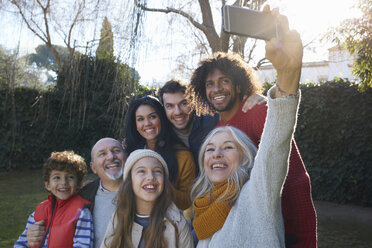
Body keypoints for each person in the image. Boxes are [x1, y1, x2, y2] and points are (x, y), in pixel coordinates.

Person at [188, 7, 317, 248]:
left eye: (224, 81)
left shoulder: (257, 111)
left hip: (272, 226)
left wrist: (305, 241)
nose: (216, 88)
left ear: (238, 86)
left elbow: (295, 179)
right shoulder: (218, 127)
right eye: (210, 84)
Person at [26, 138, 127, 248]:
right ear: (93, 168)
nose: (111, 156)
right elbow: (23, 242)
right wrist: (29, 237)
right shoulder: (86, 194)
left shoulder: (143, 191)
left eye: (116, 150)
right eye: (102, 154)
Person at [158, 79, 266, 173]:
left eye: (184, 103)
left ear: (193, 102)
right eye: (170, 106)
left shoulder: (212, 118)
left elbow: (234, 107)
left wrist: (259, 97)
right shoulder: (161, 133)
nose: (177, 112)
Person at [101, 149, 194, 248]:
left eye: (157, 171)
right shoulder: (119, 217)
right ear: (130, 180)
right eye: (141, 171)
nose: (150, 177)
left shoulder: (178, 223)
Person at [123, 95, 196, 211]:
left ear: (162, 118)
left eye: (152, 117)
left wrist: (161, 187)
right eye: (140, 119)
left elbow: (188, 200)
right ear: (135, 125)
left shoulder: (182, 156)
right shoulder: (129, 154)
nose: (147, 123)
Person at [15, 151, 94, 247]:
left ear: (78, 184)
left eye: (70, 177)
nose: (64, 183)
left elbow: (83, 245)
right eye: (57, 177)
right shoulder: (37, 212)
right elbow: (21, 243)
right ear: (47, 185)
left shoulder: (82, 213)